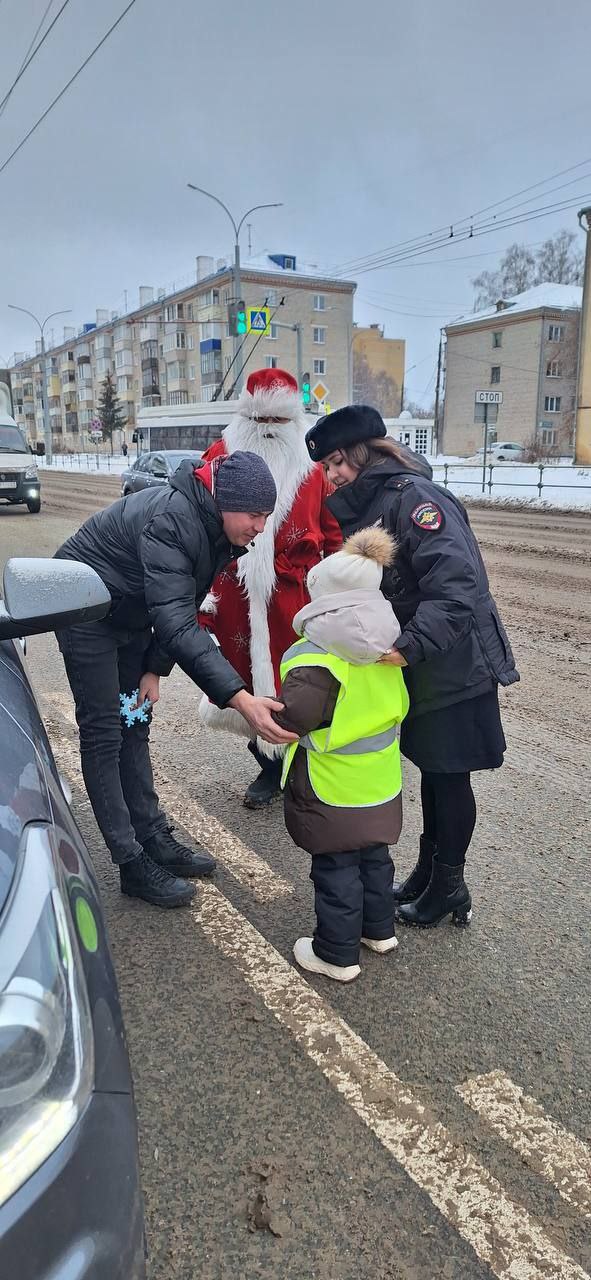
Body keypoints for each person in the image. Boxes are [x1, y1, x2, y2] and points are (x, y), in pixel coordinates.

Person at [305, 404, 519, 929]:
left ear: (363, 451)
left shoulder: (414, 500)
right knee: (433, 770)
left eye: (336, 462)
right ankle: (429, 871)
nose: (331, 476)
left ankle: (450, 885)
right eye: (326, 467)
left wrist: (410, 645)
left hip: (454, 662)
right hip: (427, 662)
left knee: (450, 777)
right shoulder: (376, 503)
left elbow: (457, 585)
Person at [54, 450, 296, 908]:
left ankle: (152, 836)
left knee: (134, 724)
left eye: (267, 514)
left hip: (125, 612)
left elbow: (183, 603)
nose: (261, 527)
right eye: (255, 514)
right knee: (105, 733)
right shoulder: (173, 521)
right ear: (226, 500)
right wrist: (241, 699)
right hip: (83, 609)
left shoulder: (215, 525)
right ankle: (130, 862)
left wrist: (152, 668)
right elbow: (176, 624)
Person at [198, 367, 341, 807]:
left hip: (295, 600)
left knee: (297, 682)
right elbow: (200, 526)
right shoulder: (220, 457)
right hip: (236, 597)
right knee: (240, 685)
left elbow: (334, 535)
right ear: (246, 419)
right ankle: (267, 763)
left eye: (280, 423)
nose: (270, 432)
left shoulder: (315, 472)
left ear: (294, 423)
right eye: (262, 422)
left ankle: (295, 766)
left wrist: (334, 591)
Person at [273, 527, 409, 982]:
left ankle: (336, 953)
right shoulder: (388, 650)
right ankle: (379, 930)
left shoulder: (317, 657)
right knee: (375, 859)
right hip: (380, 782)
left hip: (333, 786)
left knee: (336, 870)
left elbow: (293, 719)